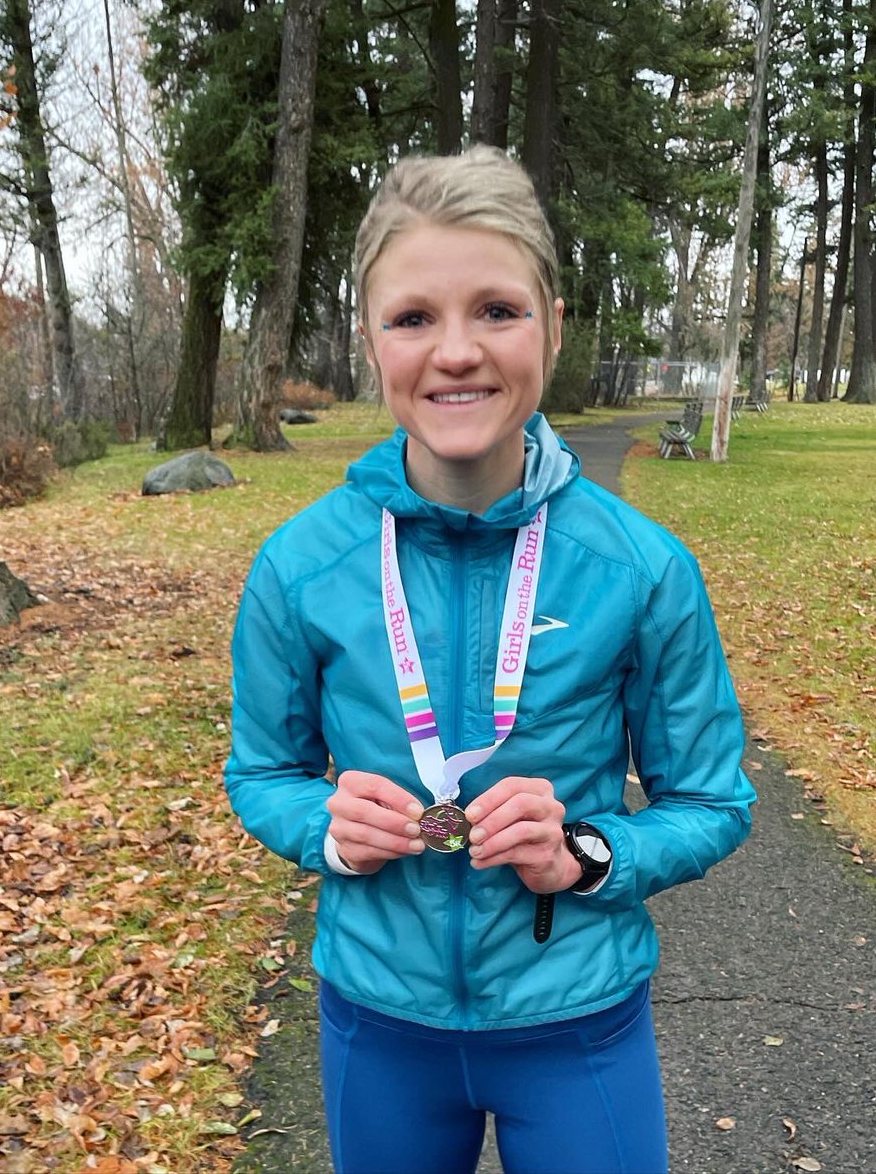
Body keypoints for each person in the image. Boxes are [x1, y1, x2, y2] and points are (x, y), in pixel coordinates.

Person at [224, 146, 756, 1174]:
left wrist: (593, 855)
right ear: (370, 342)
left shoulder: (641, 570)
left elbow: (715, 801)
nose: (456, 351)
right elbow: (262, 774)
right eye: (413, 316)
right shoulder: (301, 567)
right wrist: (326, 833)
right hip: (379, 1027)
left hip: (578, 1024)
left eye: (498, 310)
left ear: (552, 325)